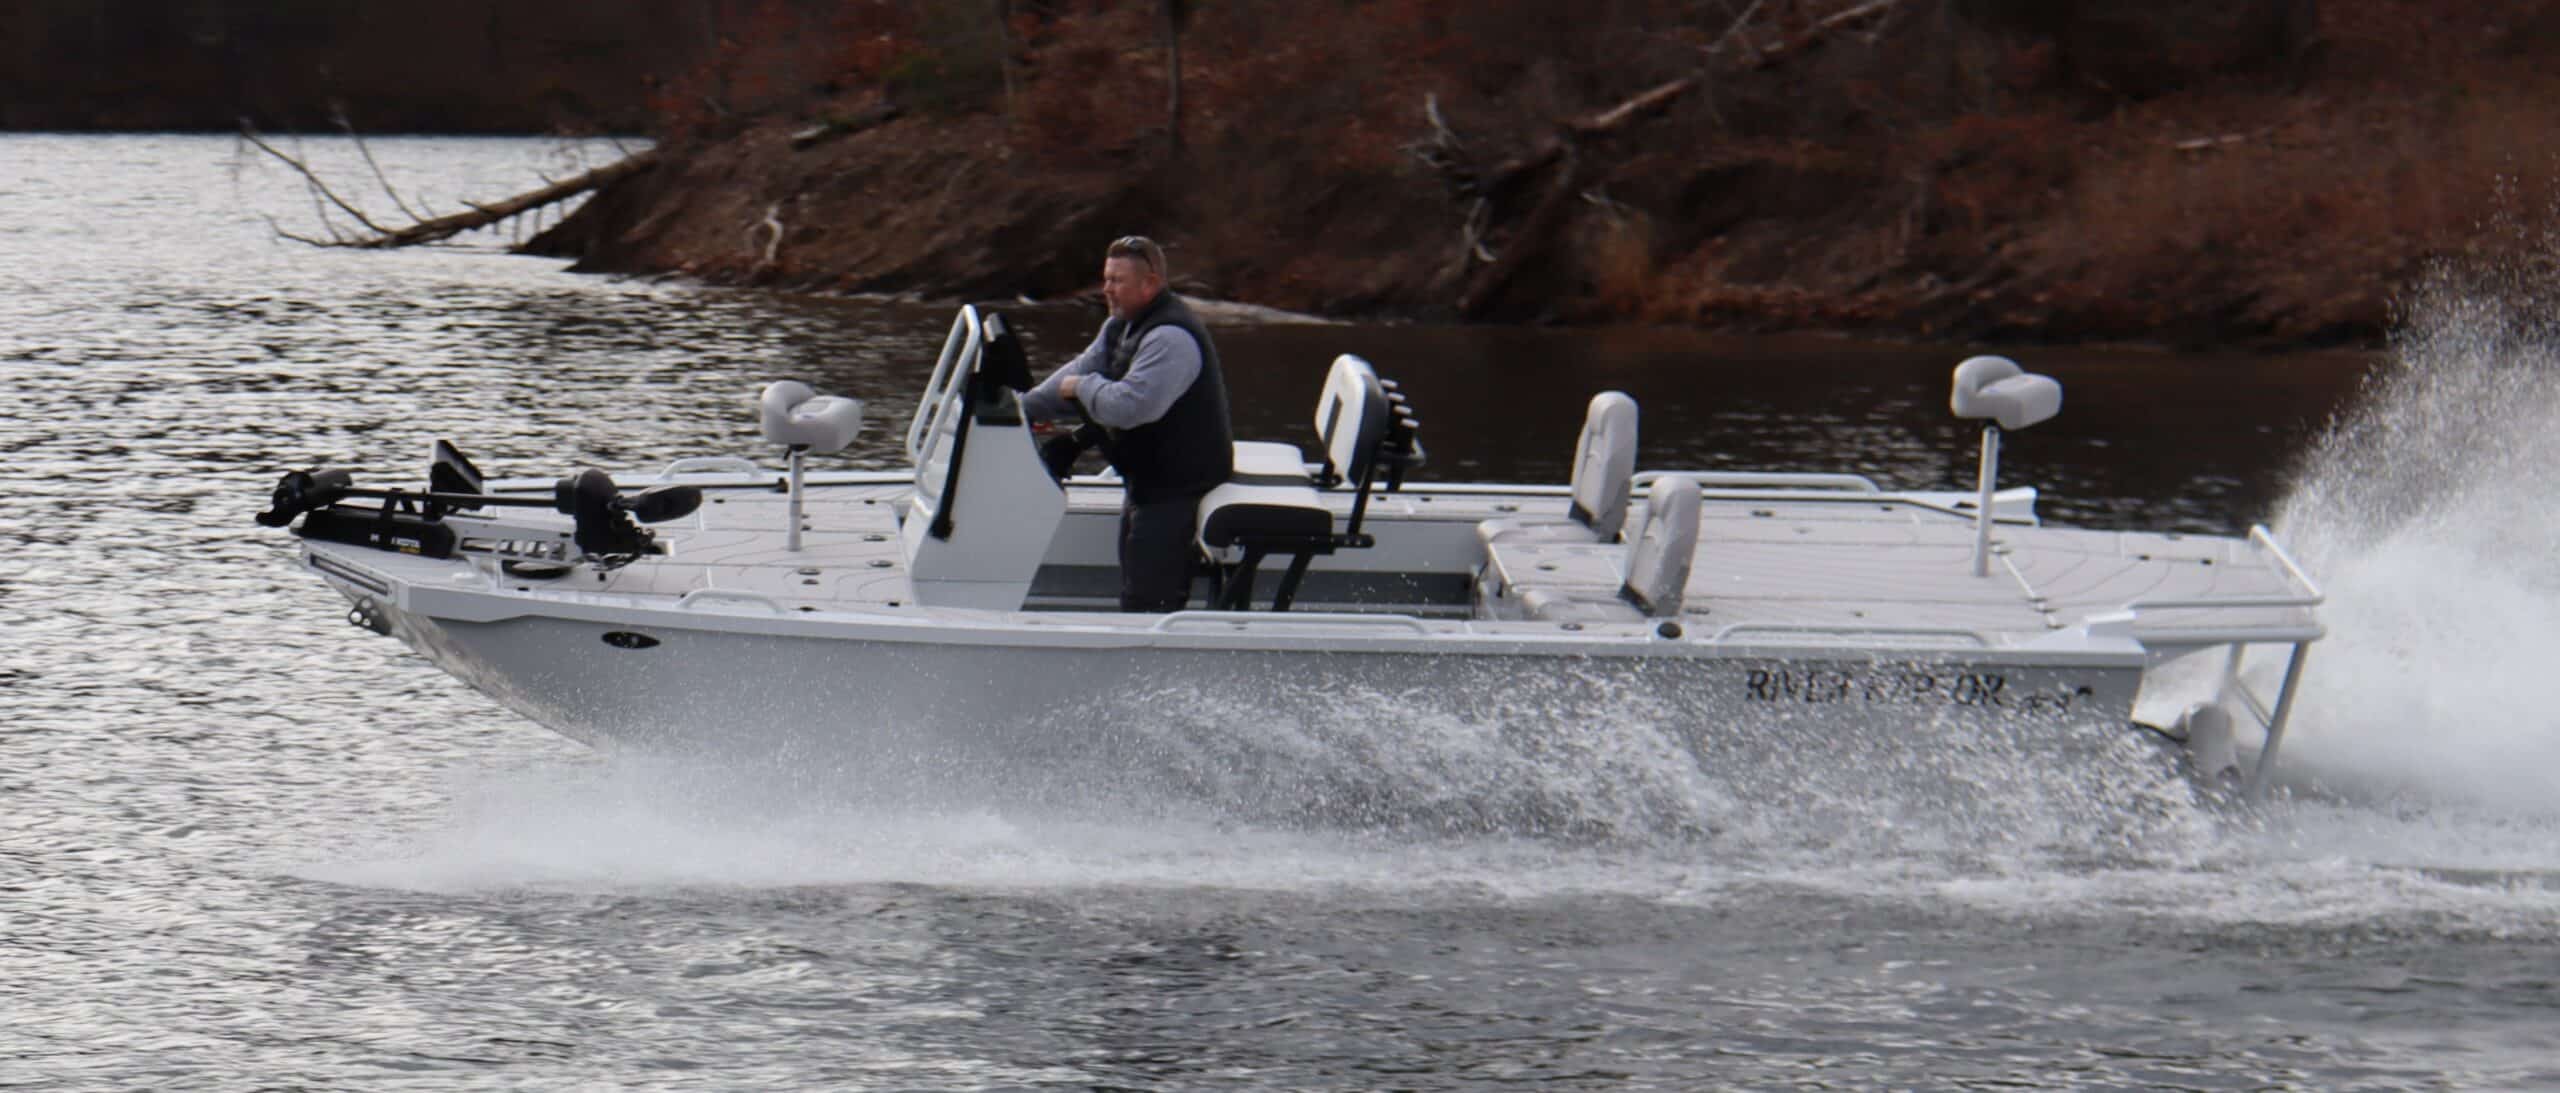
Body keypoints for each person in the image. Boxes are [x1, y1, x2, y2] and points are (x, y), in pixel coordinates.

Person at [1020, 235, 1234, 612]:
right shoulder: (1121, 325)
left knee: (1148, 602)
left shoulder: (1170, 338)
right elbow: (1078, 371)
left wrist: (1082, 388)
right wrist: (1023, 408)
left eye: (1117, 280)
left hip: (1178, 488)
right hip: (1147, 480)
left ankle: (1155, 664)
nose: (1106, 289)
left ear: (1149, 284)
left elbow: (1130, 408)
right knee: (1134, 585)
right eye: (1106, 279)